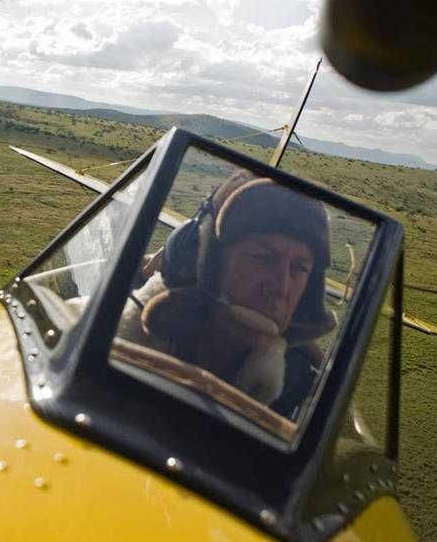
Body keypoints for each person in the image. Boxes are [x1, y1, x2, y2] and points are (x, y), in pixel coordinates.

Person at [118, 171, 336, 419]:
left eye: (299, 268)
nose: (281, 288)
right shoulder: (98, 323)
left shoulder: (302, 401)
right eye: (262, 257)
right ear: (205, 265)